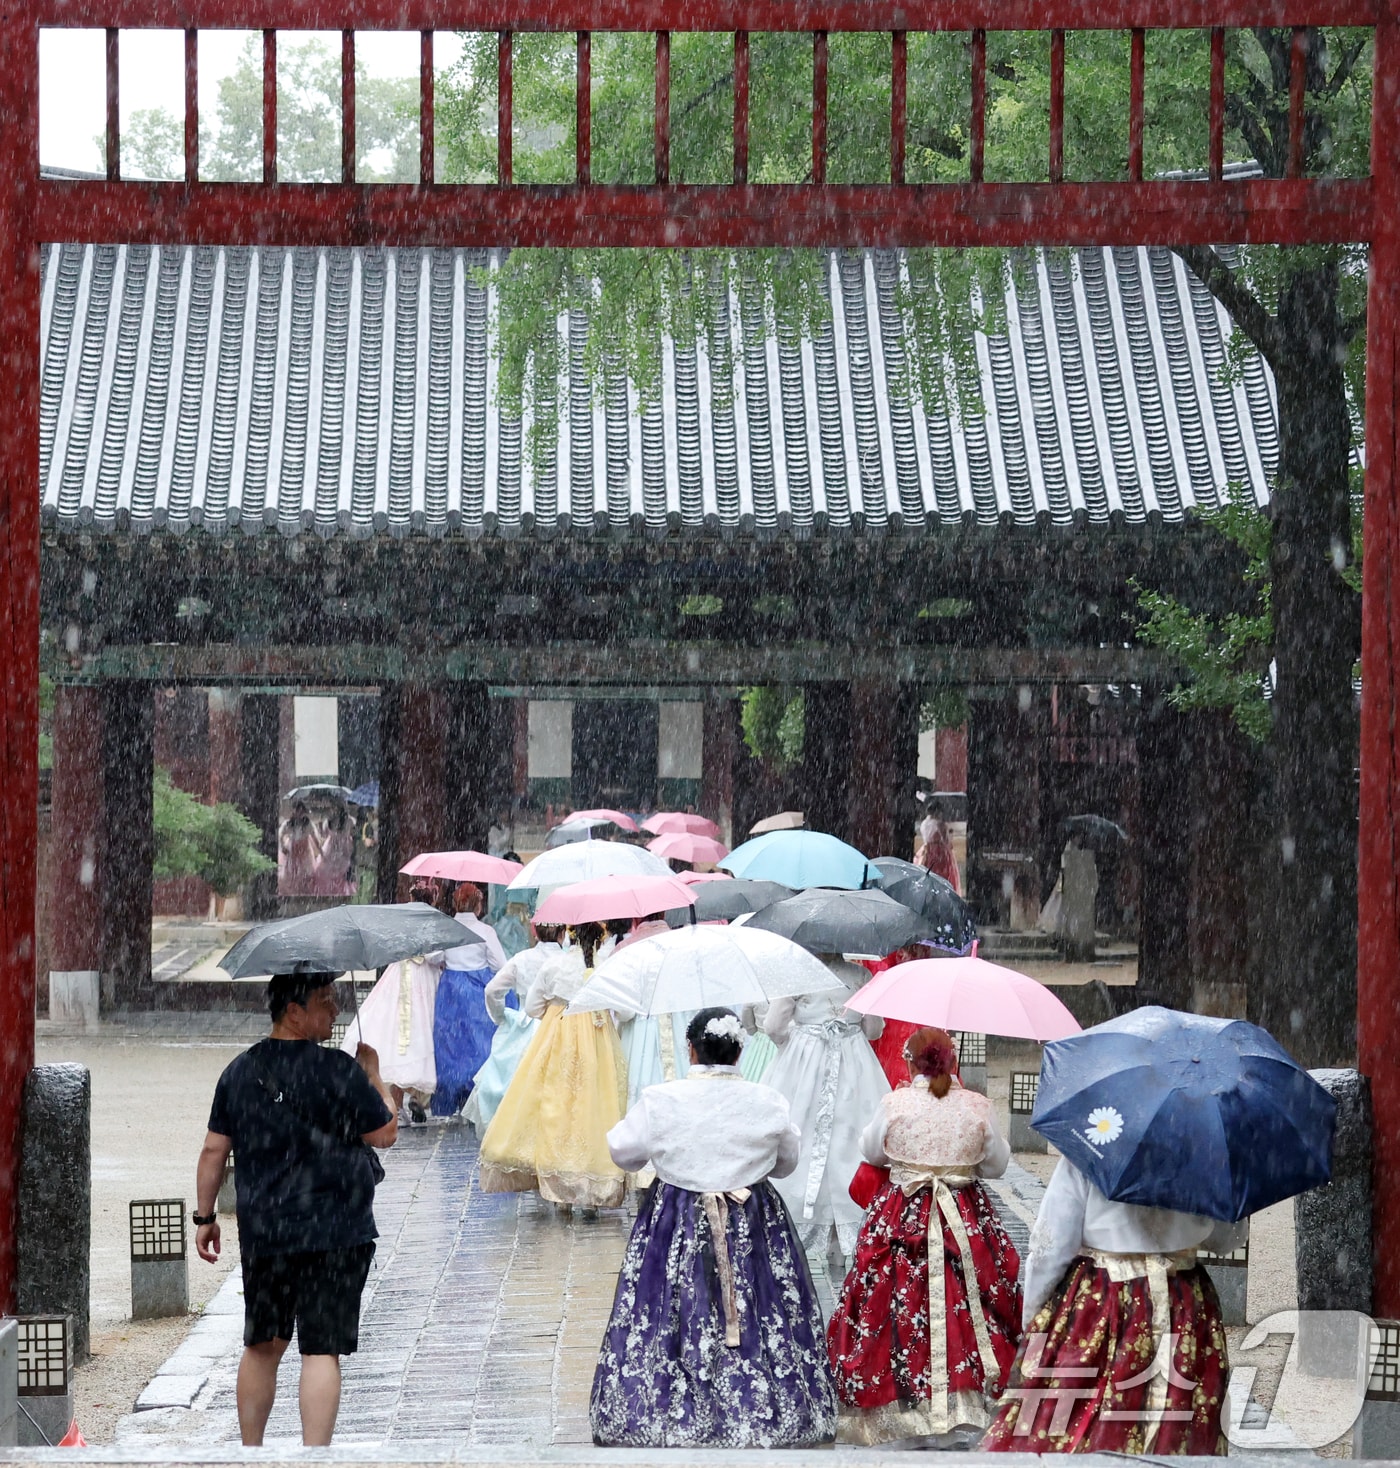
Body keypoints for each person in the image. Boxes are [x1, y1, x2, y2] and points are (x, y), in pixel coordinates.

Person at [590, 1008, 837, 1449]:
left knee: (676, 1302)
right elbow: (787, 1161)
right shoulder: (767, 1100)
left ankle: (678, 1394)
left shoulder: (662, 1099)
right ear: (740, 1051)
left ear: (691, 1049)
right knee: (754, 1301)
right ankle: (752, 1397)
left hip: (676, 1217)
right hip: (751, 1218)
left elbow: (622, 1150)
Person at [193, 973, 397, 1447]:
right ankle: (314, 1456)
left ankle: (251, 1453)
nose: (334, 1011)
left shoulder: (240, 1072)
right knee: (321, 1349)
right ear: (294, 1012)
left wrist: (205, 1218)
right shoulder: (340, 1070)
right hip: (336, 1229)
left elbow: (212, 1151)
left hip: (268, 1231)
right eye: (325, 1002)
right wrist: (373, 1074)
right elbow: (385, 1132)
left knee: (262, 1345)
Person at [828, 1027, 1022, 1446]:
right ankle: (966, 1401)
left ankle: (900, 1405)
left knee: (892, 1299)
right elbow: (997, 1165)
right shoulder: (977, 1106)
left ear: (910, 1061)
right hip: (963, 1214)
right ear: (953, 1062)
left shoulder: (895, 1102)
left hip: (901, 1215)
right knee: (969, 1299)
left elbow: (871, 1151)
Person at [982, 1150, 1245, 1453]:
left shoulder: (1093, 1146)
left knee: (1076, 1413)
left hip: (1102, 1301)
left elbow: (1051, 1246)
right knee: (1180, 1409)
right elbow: (1227, 1240)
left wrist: (1034, 1318)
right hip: (1182, 1300)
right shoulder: (1203, 1152)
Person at [479, 921, 630, 1210]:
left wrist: (557, 1008)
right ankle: (590, 1178)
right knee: (591, 1106)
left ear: (569, 935)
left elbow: (532, 1008)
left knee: (557, 1106)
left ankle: (558, 1177)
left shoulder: (553, 967)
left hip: (557, 1039)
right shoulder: (607, 967)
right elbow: (623, 1011)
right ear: (600, 938)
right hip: (598, 1045)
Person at [762, 954, 891, 1265]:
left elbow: (773, 1026)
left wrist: (799, 1035)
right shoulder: (862, 976)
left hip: (803, 1061)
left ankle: (797, 1221)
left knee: (800, 1135)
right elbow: (874, 1029)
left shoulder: (796, 974)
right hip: (854, 1060)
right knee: (849, 1139)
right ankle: (845, 1226)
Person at [340, 882, 442, 1121]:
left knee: (394, 1031)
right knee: (423, 1029)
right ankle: (418, 1096)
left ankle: (397, 1104)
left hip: (398, 975)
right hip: (422, 979)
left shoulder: (401, 919)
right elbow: (436, 955)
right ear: (432, 899)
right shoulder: (432, 921)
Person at [463, 922, 566, 1137]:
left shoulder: (522, 959)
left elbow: (492, 990)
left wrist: (502, 1017)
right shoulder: (569, 961)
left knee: (515, 1085)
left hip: (524, 1026)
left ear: (534, 932)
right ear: (563, 932)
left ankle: (515, 1134)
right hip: (560, 1027)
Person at [430, 882, 507, 1117]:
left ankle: (452, 1094)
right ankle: (476, 1095)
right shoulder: (485, 931)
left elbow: (433, 956)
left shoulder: (447, 928)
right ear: (478, 905)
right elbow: (500, 964)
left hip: (451, 990)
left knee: (451, 1045)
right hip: (476, 992)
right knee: (479, 1044)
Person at [310, 805, 357, 898]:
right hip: (342, 846)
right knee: (339, 869)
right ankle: (338, 892)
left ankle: (332, 891)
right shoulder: (349, 821)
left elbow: (324, 834)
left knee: (329, 869)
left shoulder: (328, 821)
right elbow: (353, 832)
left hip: (334, 846)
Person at [279, 801, 322, 895]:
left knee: (306, 873)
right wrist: (283, 846)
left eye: (301, 811)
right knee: (292, 873)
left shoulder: (308, 824)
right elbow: (281, 834)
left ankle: (304, 891)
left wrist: (321, 852)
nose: (299, 813)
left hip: (305, 851)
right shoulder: (289, 823)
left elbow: (315, 837)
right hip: (293, 851)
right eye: (297, 811)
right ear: (294, 812)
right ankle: (295, 892)